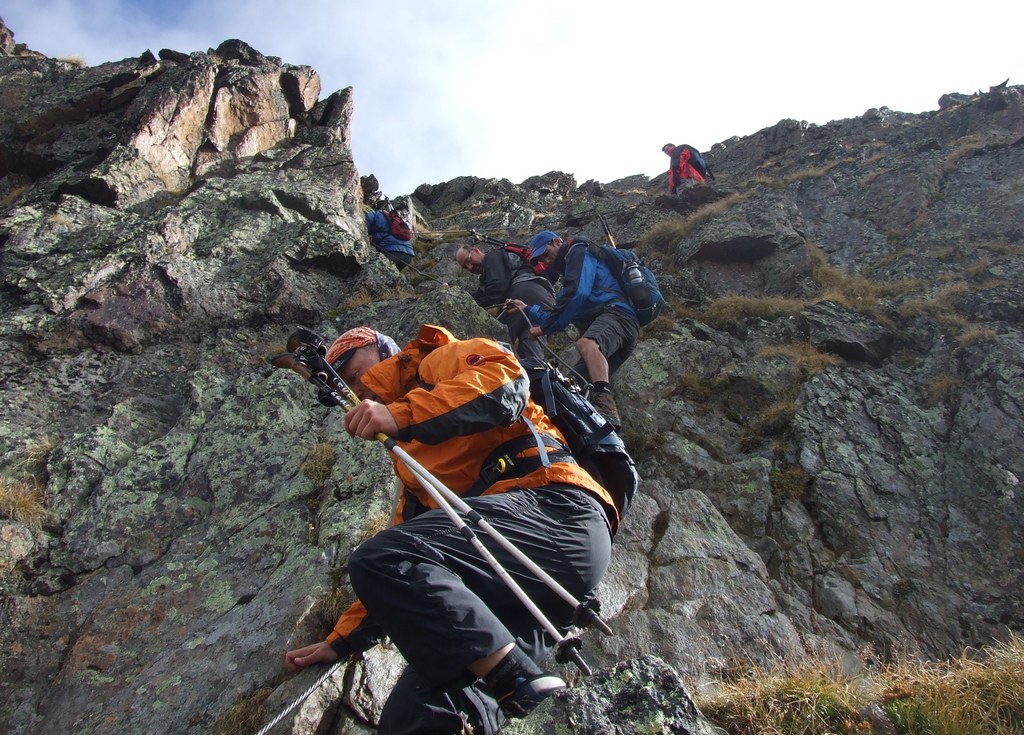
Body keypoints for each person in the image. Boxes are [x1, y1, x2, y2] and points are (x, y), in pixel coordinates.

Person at [284, 324, 618, 734]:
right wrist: (342, 640)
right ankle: (514, 683)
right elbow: (413, 559)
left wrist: (400, 414)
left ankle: (517, 679)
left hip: (557, 510)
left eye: (353, 369)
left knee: (381, 556)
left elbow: (505, 384)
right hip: (517, 576)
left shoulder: (437, 360)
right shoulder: (409, 454)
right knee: (416, 715)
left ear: (383, 348)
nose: (355, 384)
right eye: (343, 381)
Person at [507, 231, 639, 430]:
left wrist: (543, 329)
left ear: (556, 241)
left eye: (546, 253)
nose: (546, 260)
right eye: (541, 258)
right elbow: (562, 313)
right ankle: (592, 433)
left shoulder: (578, 251)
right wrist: (526, 309)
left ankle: (606, 408)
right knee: (571, 389)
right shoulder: (571, 273)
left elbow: (577, 294)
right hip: (615, 328)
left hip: (618, 316)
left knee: (586, 344)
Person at [455, 242, 555, 363]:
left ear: (476, 250)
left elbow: (497, 287)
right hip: (543, 298)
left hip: (522, 292)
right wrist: (456, 292)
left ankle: (490, 369)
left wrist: (460, 299)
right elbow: (483, 295)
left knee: (497, 339)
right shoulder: (488, 275)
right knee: (530, 341)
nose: (470, 267)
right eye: (465, 267)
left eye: (469, 260)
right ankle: (538, 375)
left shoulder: (493, 256)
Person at [366, 203, 414, 271]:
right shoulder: (396, 219)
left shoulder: (376, 214)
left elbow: (365, 225)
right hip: (408, 255)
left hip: (391, 251)